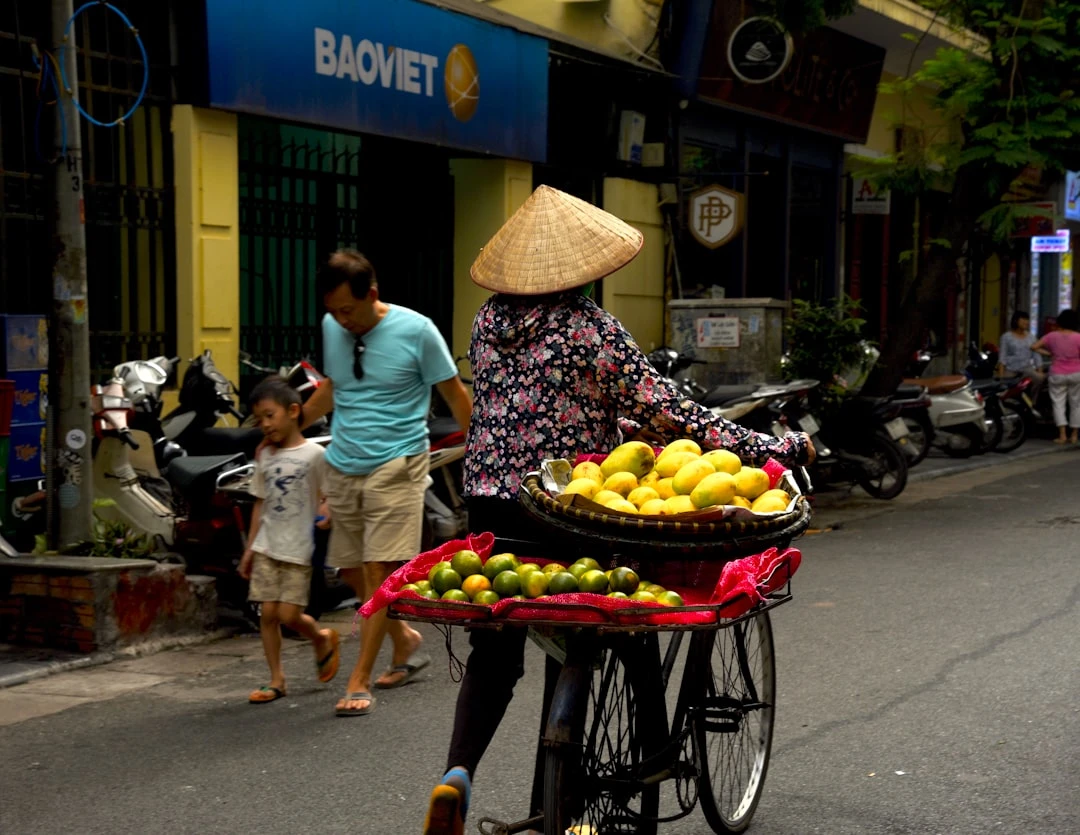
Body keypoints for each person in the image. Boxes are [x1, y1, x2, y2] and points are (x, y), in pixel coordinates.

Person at [422, 186, 816, 835]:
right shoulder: (590, 328)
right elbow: (675, 412)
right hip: (572, 504)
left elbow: (552, 403)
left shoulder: (488, 319)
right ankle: (642, 759)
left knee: (498, 644)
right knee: (621, 609)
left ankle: (456, 774)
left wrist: (621, 422)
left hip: (493, 502)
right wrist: (767, 445)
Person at [298, 249, 473, 716]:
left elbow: (454, 392)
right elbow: (334, 386)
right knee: (351, 570)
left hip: (397, 461)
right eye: (332, 311)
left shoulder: (417, 331)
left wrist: (481, 454)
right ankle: (406, 639)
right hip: (344, 460)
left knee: (378, 569)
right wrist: (290, 426)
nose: (340, 320)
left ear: (372, 295)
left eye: (348, 311)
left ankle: (360, 679)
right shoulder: (334, 326)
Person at [239, 377, 341, 703]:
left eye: (270, 415)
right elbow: (260, 502)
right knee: (267, 615)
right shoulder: (265, 457)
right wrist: (249, 550)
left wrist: (326, 508)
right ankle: (277, 679)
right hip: (268, 545)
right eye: (259, 420)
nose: (265, 425)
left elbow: (329, 492)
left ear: (294, 411)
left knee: (288, 616)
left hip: (298, 547)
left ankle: (321, 637)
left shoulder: (315, 455)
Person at [1032, 307, 1080, 444]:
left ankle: (1062, 435)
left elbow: (1034, 347)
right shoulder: (1078, 337)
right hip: (1076, 373)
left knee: (1058, 404)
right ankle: (1075, 435)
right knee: (1076, 404)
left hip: (1057, 373)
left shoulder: (1052, 336)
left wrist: (1049, 354)